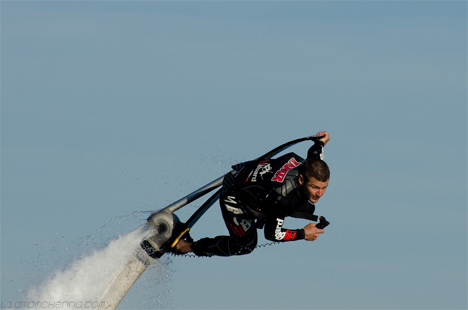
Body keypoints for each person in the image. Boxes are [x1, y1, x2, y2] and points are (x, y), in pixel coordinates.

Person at [174, 131, 331, 257]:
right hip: (234, 198)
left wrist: (320, 141)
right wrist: (303, 233)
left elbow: (315, 153)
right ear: (302, 179)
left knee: (309, 208)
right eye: (315, 187)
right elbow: (272, 234)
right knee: (245, 246)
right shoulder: (282, 199)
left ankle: (267, 202)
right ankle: (184, 246)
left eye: (324, 187)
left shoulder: (308, 165)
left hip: (247, 174)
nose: (320, 193)